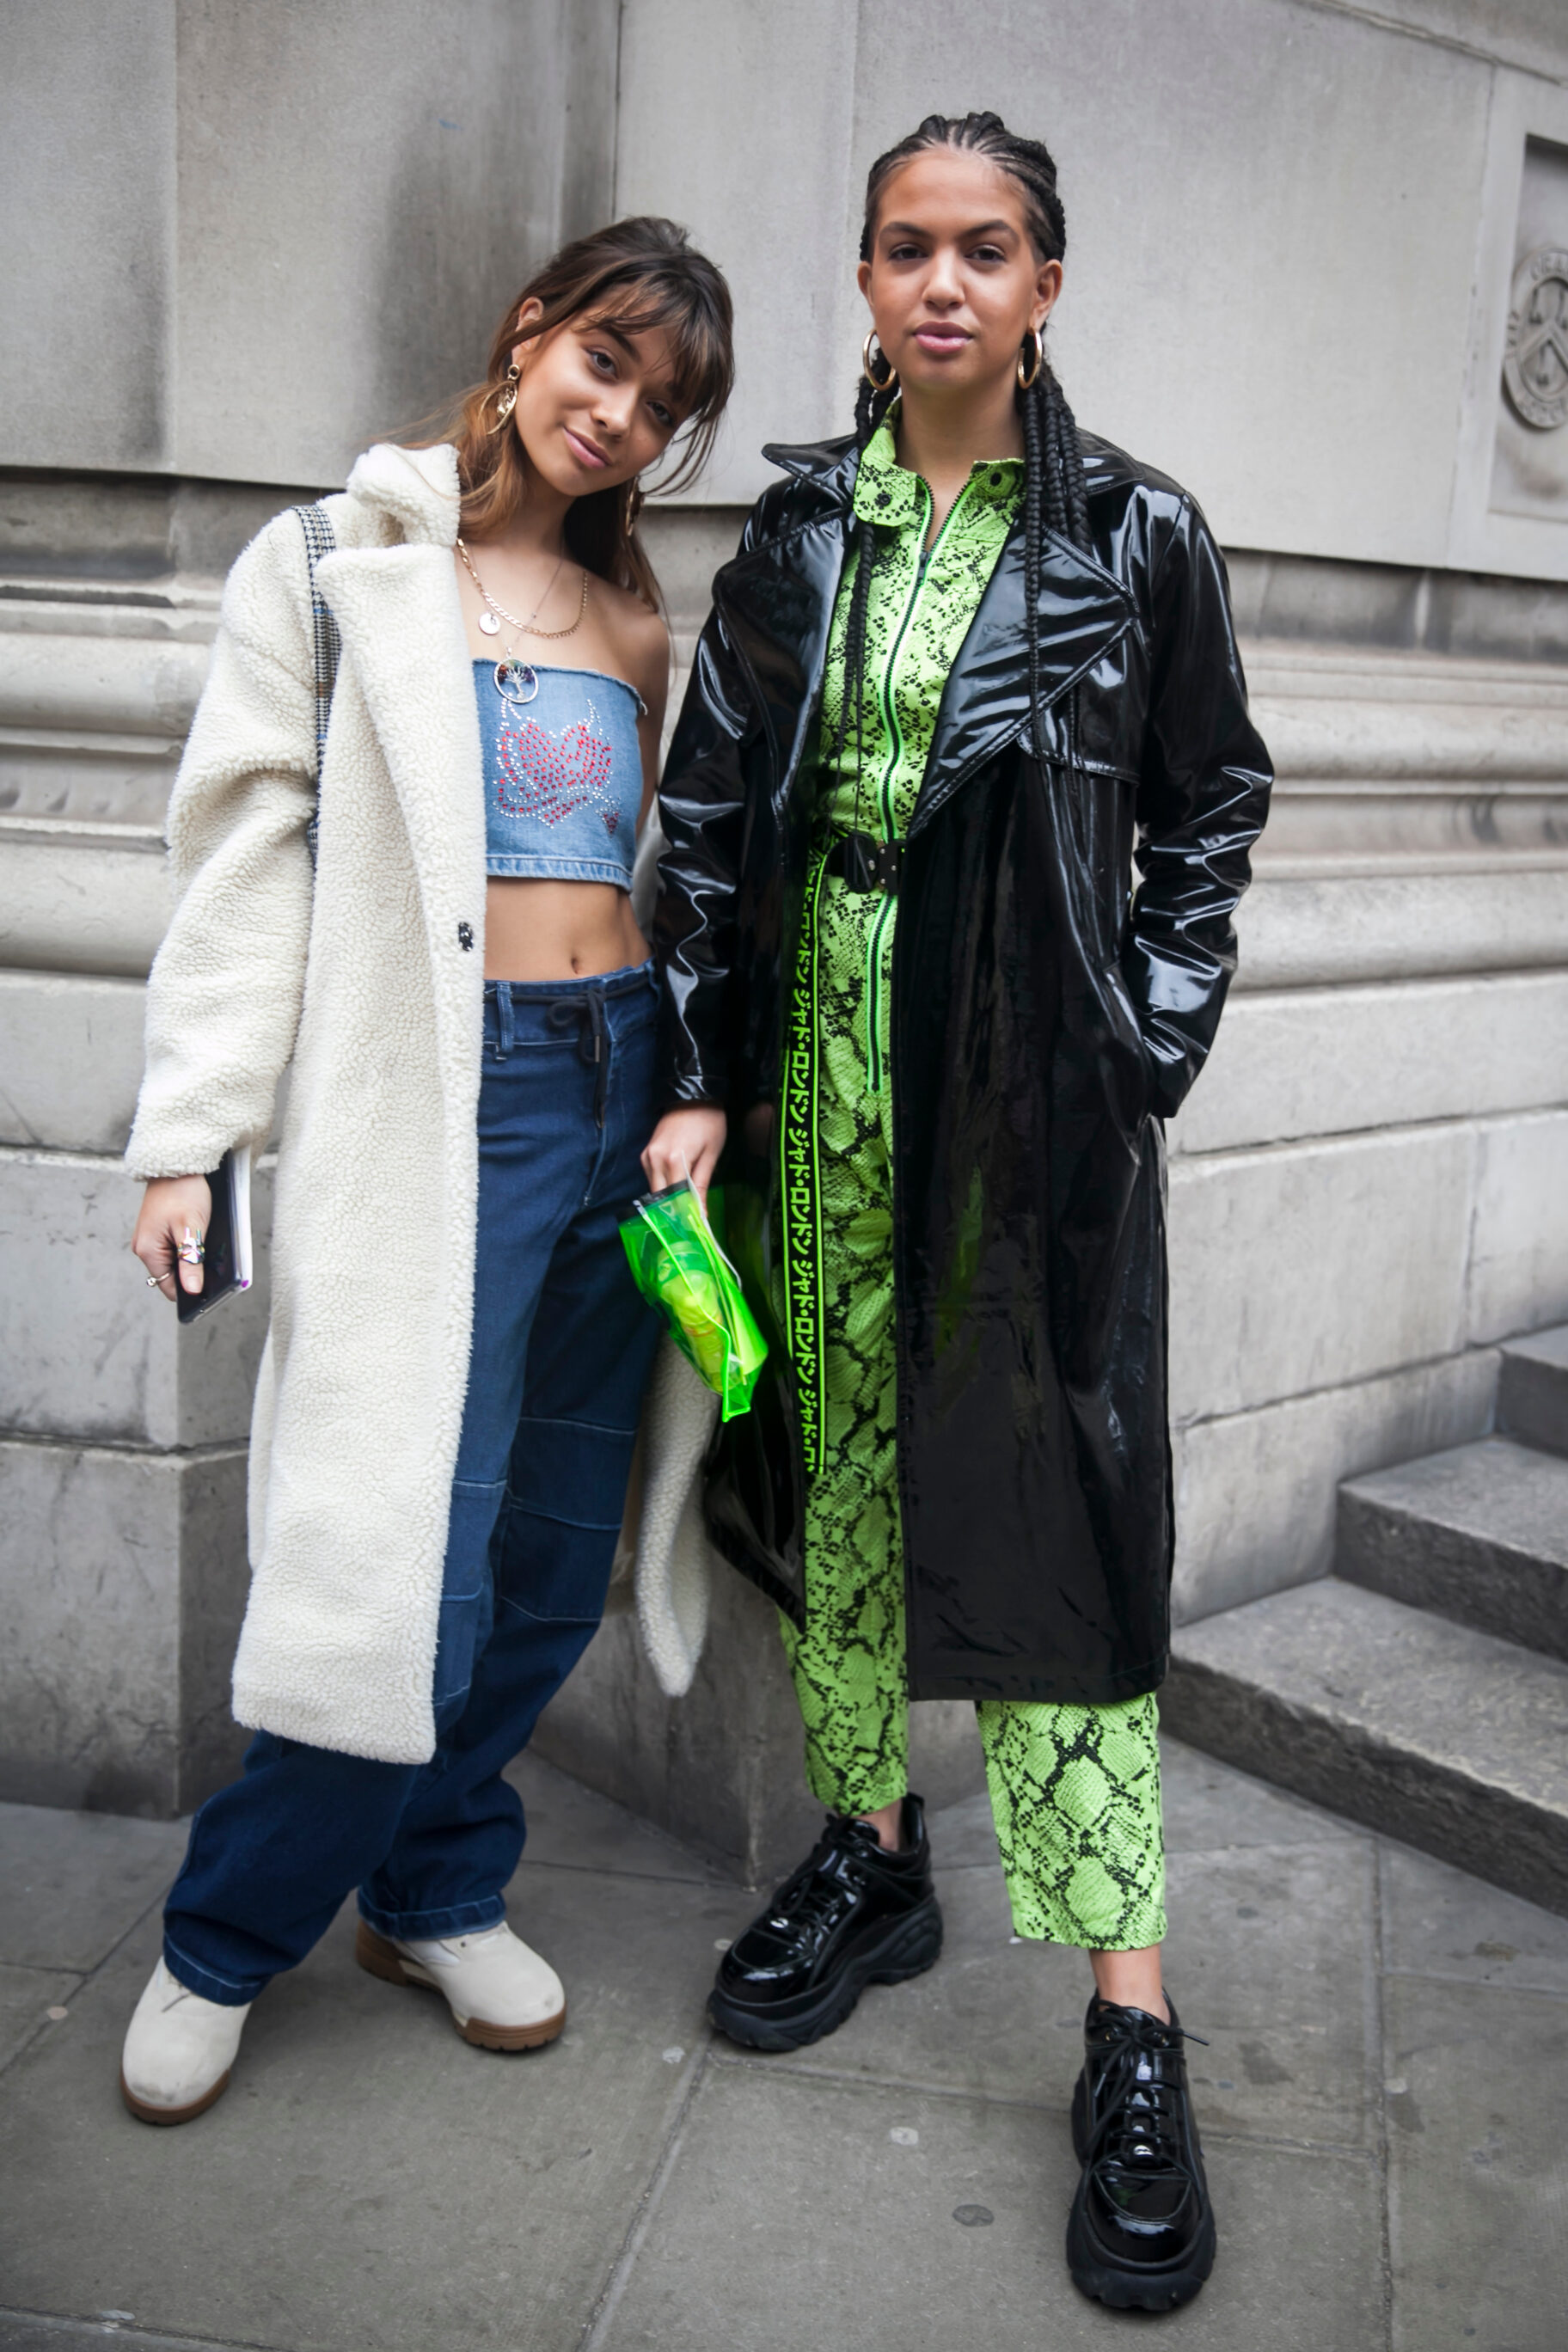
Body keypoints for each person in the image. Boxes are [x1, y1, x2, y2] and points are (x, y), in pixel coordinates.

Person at [642, 115, 1270, 2312]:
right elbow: (714, 806)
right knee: (838, 1472)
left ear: (1045, 283)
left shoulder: (1134, 533)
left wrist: (1140, 1043)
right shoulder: (805, 528)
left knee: (1061, 1520)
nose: (941, 284)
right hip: (812, 1062)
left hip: (1030, 1093)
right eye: (906, 247)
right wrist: (706, 1075)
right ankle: (875, 1855)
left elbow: (1212, 805)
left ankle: (1130, 2014)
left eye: (982, 250)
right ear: (869, 277)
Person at [120, 217, 733, 2124]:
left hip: (623, 1100)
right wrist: (192, 1132)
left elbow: (682, 890)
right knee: (402, 1561)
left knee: (553, 1545)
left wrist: (697, 1087)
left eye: (668, 403)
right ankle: (224, 1938)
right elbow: (243, 857)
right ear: (531, 332)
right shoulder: (331, 571)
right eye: (609, 364)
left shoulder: (642, 625)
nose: (624, 417)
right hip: (447, 1104)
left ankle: (438, 1888)